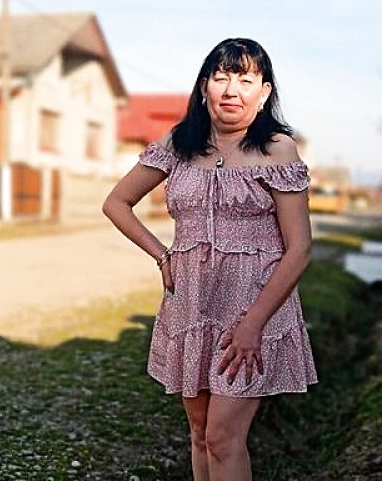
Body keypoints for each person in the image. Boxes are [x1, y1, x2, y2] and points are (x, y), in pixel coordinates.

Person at [102, 38, 317, 480]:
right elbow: (117, 203)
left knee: (223, 438)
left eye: (245, 79)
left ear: (264, 92)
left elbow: (300, 249)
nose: (231, 89)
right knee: (200, 433)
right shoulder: (179, 143)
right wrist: (162, 255)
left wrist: (253, 324)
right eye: (221, 77)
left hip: (254, 307)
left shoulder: (277, 149)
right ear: (204, 87)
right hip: (192, 306)